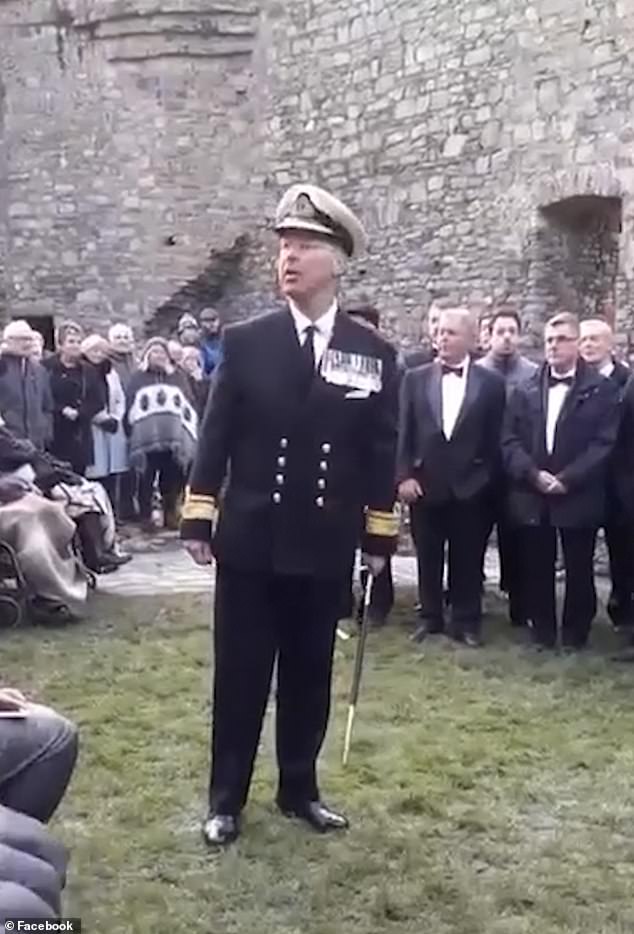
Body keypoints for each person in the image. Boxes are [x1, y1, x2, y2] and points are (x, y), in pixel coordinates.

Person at [181, 183, 399, 847]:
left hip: (324, 541)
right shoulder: (248, 342)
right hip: (251, 539)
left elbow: (380, 449)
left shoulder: (372, 352)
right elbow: (216, 434)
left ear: (337, 262)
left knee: (309, 673)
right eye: (283, 247)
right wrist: (198, 515)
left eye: (304, 246)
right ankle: (226, 799)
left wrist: (379, 535)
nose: (289, 258)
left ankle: (299, 789)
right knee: (241, 675)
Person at [502, 311, 620, 650]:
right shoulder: (525, 388)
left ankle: (575, 633)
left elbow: (604, 443)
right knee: (536, 564)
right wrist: (533, 474)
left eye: (562, 339)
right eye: (549, 340)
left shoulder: (603, 389)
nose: (553, 346)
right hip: (534, 490)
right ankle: (541, 631)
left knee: (578, 566)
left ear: (577, 343)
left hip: (578, 491)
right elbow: (509, 439)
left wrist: (568, 478)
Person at [398, 307, 505, 647]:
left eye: (451, 333)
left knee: (468, 557)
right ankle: (429, 617)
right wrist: (404, 476)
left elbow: (496, 438)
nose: (442, 338)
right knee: (427, 555)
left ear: (471, 339)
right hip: (425, 485)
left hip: (471, 487)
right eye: (440, 332)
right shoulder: (415, 379)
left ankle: (466, 621)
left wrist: (484, 479)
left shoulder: (491, 384)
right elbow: (405, 432)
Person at [477, 308, 538, 625]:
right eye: (500, 331)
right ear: (488, 335)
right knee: (474, 536)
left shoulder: (532, 374)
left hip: (516, 471)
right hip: (480, 468)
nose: (506, 337)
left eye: (512, 331)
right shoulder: (475, 372)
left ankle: (520, 603)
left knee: (516, 538)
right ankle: (469, 597)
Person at [579, 318, 633, 631]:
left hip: (618, 482)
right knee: (578, 551)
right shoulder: (572, 380)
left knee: (622, 549)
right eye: (583, 339)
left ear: (610, 344)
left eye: (595, 339)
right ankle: (580, 612)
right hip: (581, 481)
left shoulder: (626, 382)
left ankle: (622, 609)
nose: (588, 345)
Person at [125, 337, 198, 532]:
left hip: (173, 438)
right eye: (155, 352)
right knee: (146, 478)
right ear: (147, 355)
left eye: (162, 352)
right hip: (146, 439)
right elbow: (131, 403)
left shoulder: (177, 376)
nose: (159, 356)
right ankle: (146, 516)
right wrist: (131, 430)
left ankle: (170, 514)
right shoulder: (138, 377)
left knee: (172, 477)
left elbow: (188, 401)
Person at [43, 322, 103, 476]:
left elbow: (98, 401)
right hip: (53, 433)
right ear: (61, 345)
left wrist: (80, 412)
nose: (75, 345)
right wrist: (61, 409)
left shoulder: (88, 370)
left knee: (78, 478)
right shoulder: (46, 368)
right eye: (71, 341)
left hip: (79, 434)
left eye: (78, 342)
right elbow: (42, 397)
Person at [81, 336, 129, 517]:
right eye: (94, 350)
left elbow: (119, 397)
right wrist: (99, 418)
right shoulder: (83, 371)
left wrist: (116, 417)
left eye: (101, 350)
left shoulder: (110, 372)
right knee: (96, 472)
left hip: (112, 426)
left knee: (113, 472)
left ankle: (113, 514)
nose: (98, 354)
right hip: (92, 427)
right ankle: (98, 514)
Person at [0, 321, 53, 451]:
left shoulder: (39, 370)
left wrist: (45, 432)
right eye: (23, 339)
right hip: (7, 446)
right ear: (8, 341)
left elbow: (47, 406)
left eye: (30, 339)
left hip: (35, 446)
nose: (28, 343)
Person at [107, 324, 138, 521]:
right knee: (117, 467)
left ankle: (129, 508)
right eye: (118, 337)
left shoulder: (136, 363)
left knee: (133, 466)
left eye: (126, 336)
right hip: (117, 418)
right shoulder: (108, 363)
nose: (122, 340)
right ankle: (116, 511)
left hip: (135, 418)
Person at [181, 345, 210, 419]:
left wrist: (200, 382)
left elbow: (206, 399)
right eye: (188, 359)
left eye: (195, 359)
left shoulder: (204, 378)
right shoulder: (180, 376)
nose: (193, 363)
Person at [199, 307, 224, 377]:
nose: (212, 325)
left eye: (214, 320)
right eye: (208, 322)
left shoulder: (226, 336)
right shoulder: (200, 341)